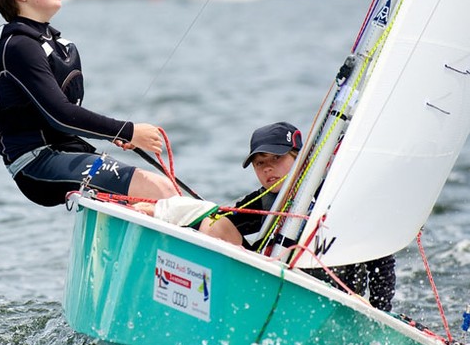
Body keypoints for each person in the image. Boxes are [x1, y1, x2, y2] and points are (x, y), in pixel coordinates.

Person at [0, 0, 178, 207]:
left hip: (65, 151)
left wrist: (114, 135)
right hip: (36, 163)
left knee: (158, 195)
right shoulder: (19, 47)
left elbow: (67, 115)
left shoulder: (54, 43)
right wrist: (127, 131)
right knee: (160, 189)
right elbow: (61, 115)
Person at [154, 121, 396, 311]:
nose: (267, 168)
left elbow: (381, 258)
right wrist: (159, 209)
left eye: (276, 158)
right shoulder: (263, 200)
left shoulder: (333, 198)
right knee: (213, 225)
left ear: (299, 159)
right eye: (259, 163)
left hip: (336, 300)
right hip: (280, 295)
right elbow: (216, 220)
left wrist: (379, 309)